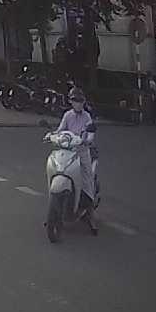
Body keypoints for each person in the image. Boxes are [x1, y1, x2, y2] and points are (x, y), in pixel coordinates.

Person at [57, 87, 98, 227]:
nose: (78, 104)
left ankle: (91, 214)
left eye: (80, 101)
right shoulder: (67, 115)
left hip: (82, 151)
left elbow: (91, 134)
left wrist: (88, 140)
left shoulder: (87, 117)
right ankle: (55, 210)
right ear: (70, 101)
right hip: (68, 150)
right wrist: (53, 135)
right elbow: (60, 130)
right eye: (75, 101)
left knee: (87, 179)